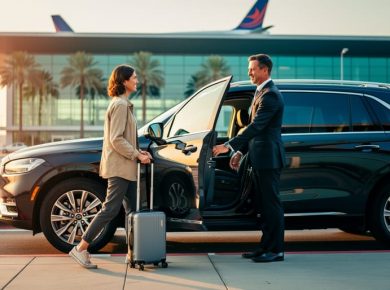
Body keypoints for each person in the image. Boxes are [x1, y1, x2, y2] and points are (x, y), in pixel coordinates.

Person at [69, 64, 151, 269]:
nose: (137, 80)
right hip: (120, 168)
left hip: (127, 167)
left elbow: (126, 138)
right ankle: (80, 248)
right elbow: (116, 139)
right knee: (110, 209)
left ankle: (134, 253)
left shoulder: (123, 104)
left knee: (133, 210)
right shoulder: (120, 105)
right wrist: (136, 155)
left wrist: (140, 153)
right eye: (134, 77)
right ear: (124, 81)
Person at [213, 54, 286, 263]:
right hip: (259, 157)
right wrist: (239, 152)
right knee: (263, 205)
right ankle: (265, 247)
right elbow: (252, 129)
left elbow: (256, 127)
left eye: (253, 69)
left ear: (265, 70)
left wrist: (229, 146)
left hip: (268, 159)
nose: (249, 72)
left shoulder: (270, 95)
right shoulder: (260, 92)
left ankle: (276, 250)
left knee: (272, 205)